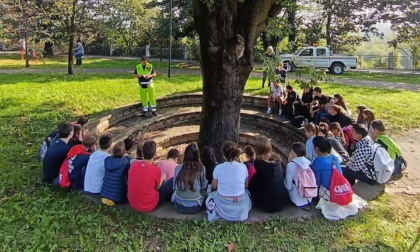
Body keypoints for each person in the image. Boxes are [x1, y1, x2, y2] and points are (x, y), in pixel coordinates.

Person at [311, 136, 367, 221]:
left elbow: (318, 182)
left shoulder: (317, 163)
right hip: (340, 187)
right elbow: (340, 172)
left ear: (317, 148)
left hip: (329, 193)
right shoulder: (334, 157)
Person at [205, 141, 251, 221]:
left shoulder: (218, 168)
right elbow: (246, 186)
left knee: (211, 196)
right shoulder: (243, 167)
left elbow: (214, 187)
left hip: (222, 204)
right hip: (240, 203)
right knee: (247, 194)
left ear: (223, 154)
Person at [127, 140, 173, 212]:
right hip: (148, 205)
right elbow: (157, 188)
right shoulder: (156, 170)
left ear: (142, 153)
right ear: (155, 154)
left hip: (133, 203)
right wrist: (162, 178)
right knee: (172, 181)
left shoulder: (134, 164)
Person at [249, 136, 289, 213]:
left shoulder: (258, 162)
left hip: (267, 204)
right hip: (282, 200)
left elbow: (256, 181)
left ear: (258, 149)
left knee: (252, 183)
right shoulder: (277, 159)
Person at [172, 143, 208, 214]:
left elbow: (174, 187)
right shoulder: (201, 168)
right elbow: (204, 187)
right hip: (195, 206)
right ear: (197, 155)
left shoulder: (178, 168)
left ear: (185, 154)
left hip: (178, 205)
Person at [100, 141, 131, 205]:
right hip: (118, 198)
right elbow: (127, 178)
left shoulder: (107, 159)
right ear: (124, 152)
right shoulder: (125, 162)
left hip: (104, 194)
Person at [284, 142, 313, 208]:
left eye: (291, 150)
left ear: (294, 152)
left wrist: (289, 162)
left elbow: (288, 187)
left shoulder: (290, 165)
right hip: (309, 197)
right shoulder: (309, 163)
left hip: (296, 199)